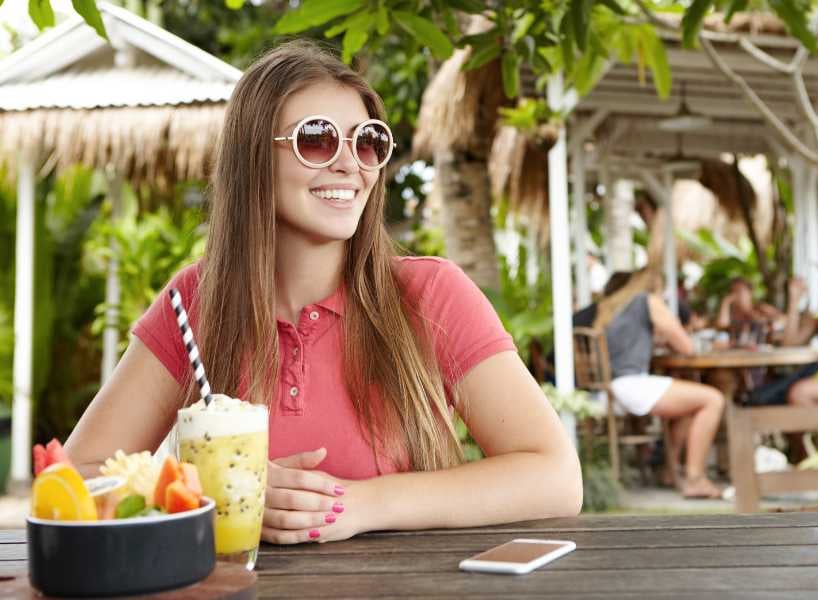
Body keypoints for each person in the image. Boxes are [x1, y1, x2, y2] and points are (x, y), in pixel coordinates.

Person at [63, 40, 581, 544]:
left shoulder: (432, 295)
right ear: (254, 158)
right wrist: (216, 498)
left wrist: (358, 504)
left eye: (368, 141)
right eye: (317, 138)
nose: (349, 163)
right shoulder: (196, 301)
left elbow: (555, 478)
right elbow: (76, 478)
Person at [576, 272, 726, 499]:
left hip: (609, 390)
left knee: (688, 406)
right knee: (713, 399)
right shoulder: (646, 300)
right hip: (631, 386)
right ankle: (695, 479)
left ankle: (669, 470)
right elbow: (686, 347)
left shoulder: (612, 307)